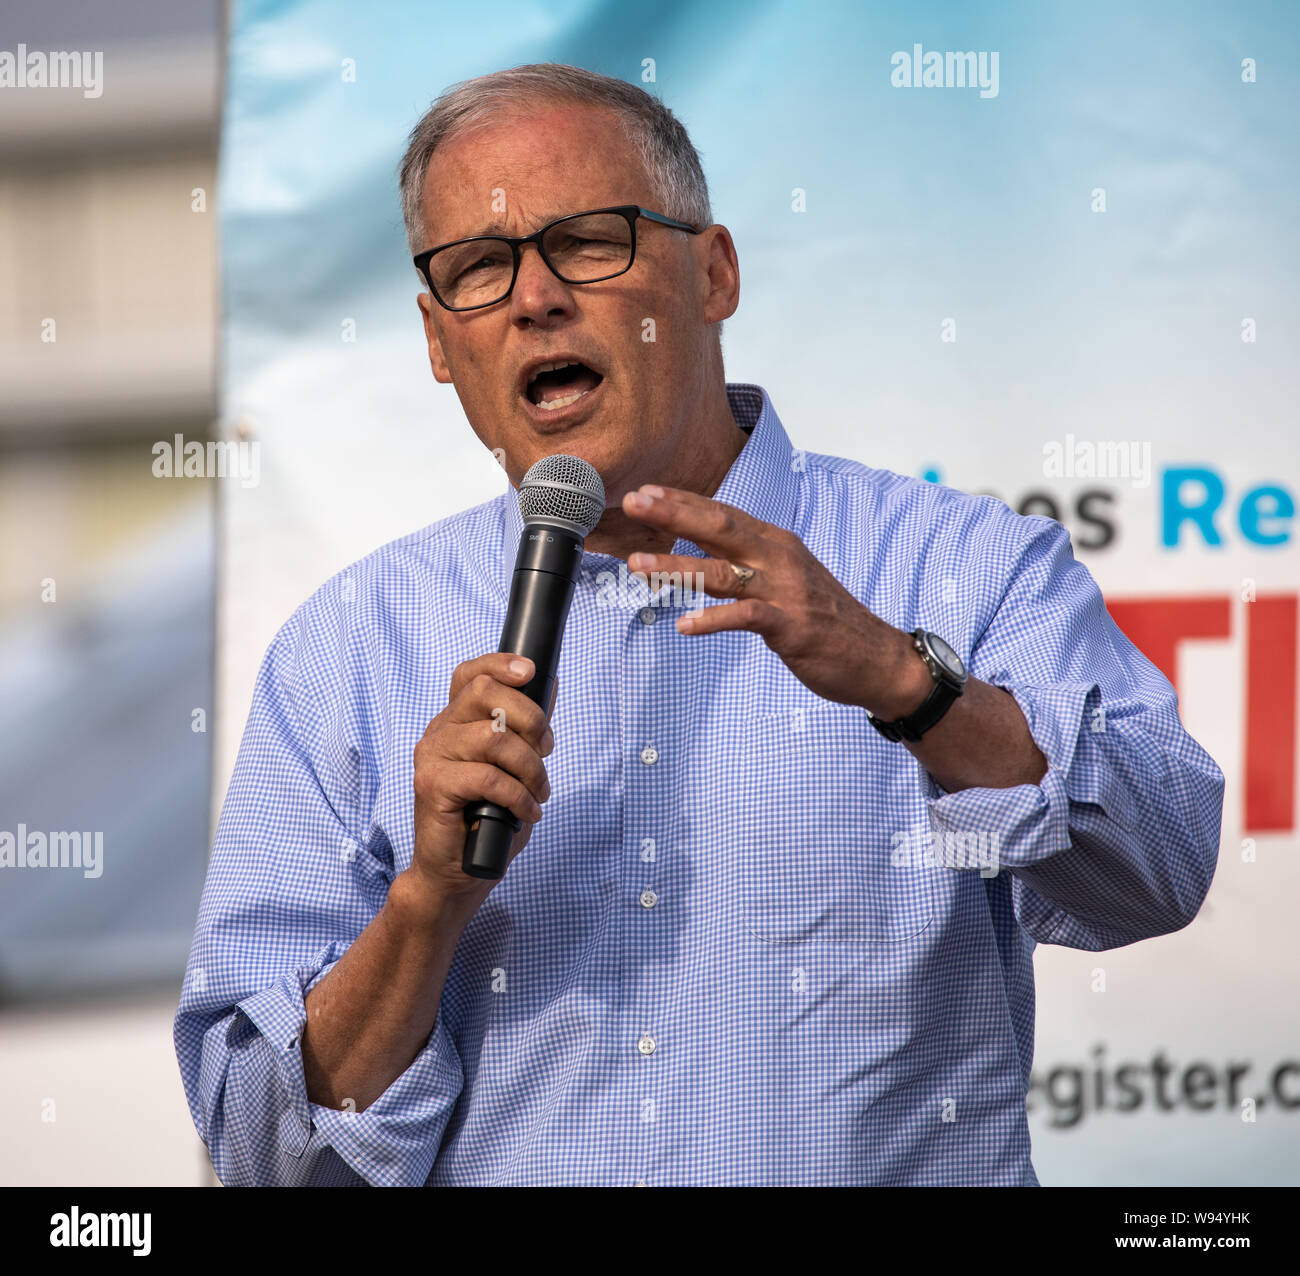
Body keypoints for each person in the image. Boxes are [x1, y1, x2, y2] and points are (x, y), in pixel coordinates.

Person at [174, 63, 1224, 1186]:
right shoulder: (347, 650)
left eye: (587, 241)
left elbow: (1159, 868)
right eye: (480, 267)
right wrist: (426, 906)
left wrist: (905, 681)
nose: (534, 298)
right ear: (440, 345)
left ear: (712, 272)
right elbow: (260, 1150)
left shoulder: (957, 565)